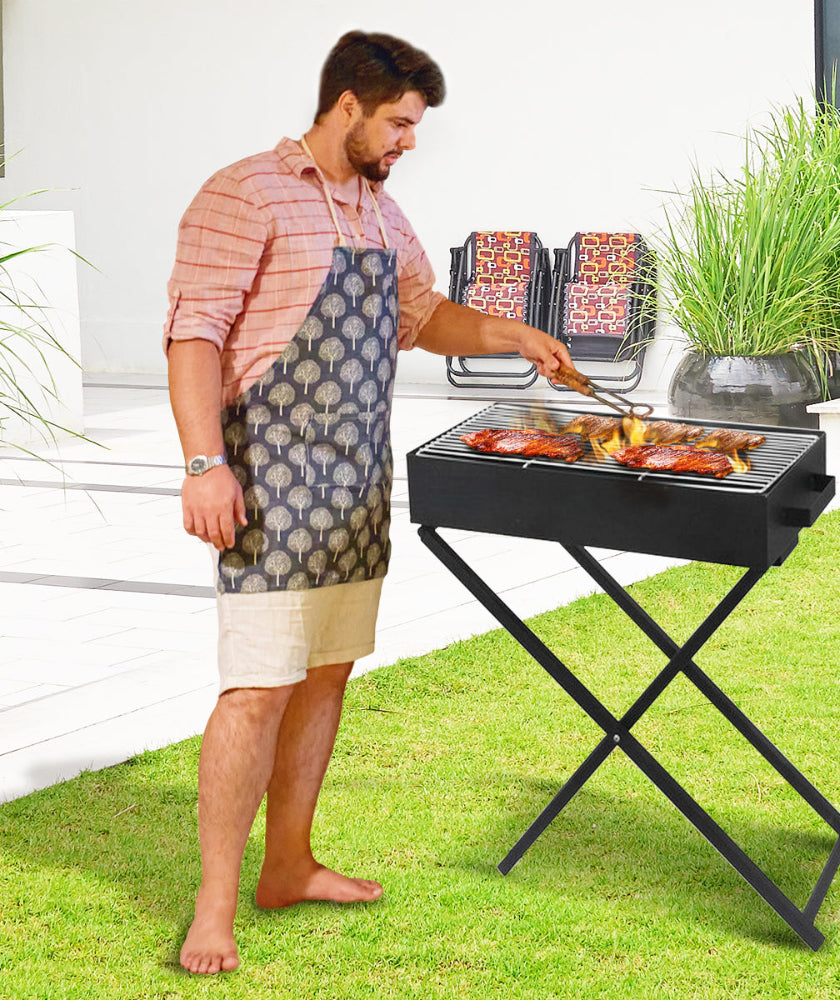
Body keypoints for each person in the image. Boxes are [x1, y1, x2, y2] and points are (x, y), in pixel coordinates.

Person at [163, 30, 574, 976]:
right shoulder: (246, 193)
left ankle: (290, 864)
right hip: (265, 481)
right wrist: (200, 466)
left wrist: (511, 332)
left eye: (415, 127)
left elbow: (423, 317)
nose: (409, 143)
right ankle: (214, 907)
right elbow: (195, 335)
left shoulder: (379, 213)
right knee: (257, 688)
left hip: (354, 487)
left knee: (327, 674)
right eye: (399, 123)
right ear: (347, 105)